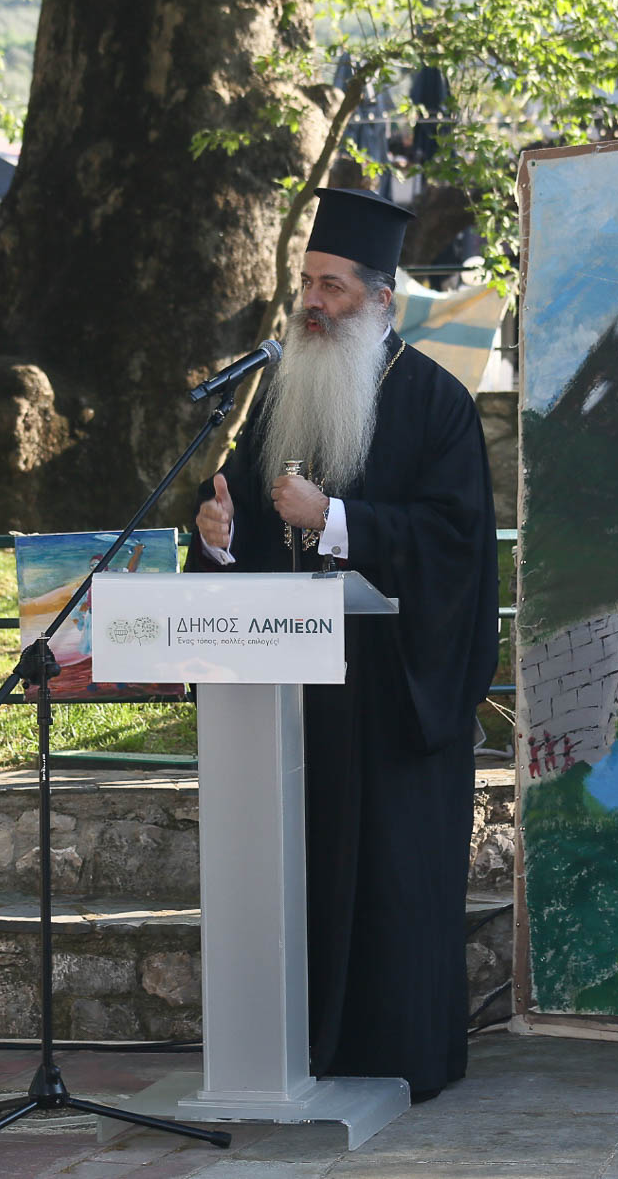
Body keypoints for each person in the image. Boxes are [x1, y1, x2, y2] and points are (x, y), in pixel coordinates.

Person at [189, 187, 500, 1101]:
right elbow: (243, 527)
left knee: (391, 887)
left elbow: (454, 546)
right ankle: (297, 1052)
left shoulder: (437, 404)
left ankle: (398, 1056)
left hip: (392, 699)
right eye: (306, 284)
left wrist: (337, 519)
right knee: (303, 882)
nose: (313, 303)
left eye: (332, 286)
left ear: (381, 300)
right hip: (294, 710)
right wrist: (216, 538)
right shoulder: (277, 399)